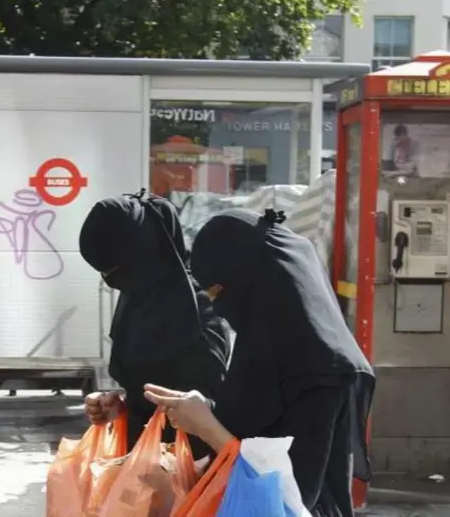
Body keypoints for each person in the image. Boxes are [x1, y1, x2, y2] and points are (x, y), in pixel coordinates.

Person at [144, 208, 375, 517]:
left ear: (256, 282)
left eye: (218, 292)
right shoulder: (268, 347)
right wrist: (200, 409)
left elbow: (290, 498)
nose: (217, 307)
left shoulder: (319, 370)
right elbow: (256, 422)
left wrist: (208, 428)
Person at [78, 190, 231, 452]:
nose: (110, 280)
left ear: (143, 256)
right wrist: (119, 408)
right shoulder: (137, 299)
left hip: (189, 471)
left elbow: (208, 409)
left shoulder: (198, 312)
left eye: (114, 270)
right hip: (141, 464)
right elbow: (145, 389)